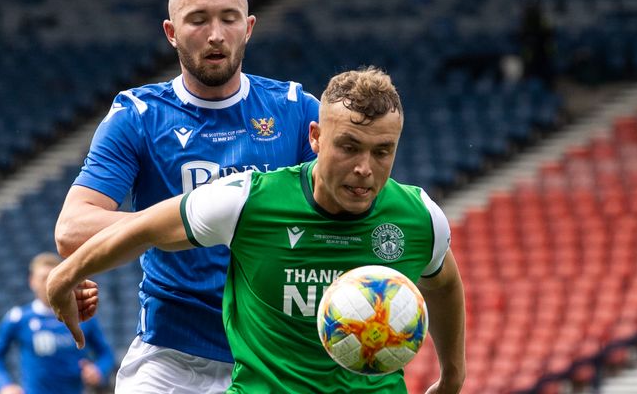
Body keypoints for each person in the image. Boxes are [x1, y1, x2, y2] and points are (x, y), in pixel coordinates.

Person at [48, 68, 466, 394]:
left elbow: (443, 283)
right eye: (349, 146)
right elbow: (145, 229)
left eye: (382, 152)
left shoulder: (419, 218)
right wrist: (62, 277)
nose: (364, 168)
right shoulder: (248, 201)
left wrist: (452, 375)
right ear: (316, 138)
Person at [53, 0, 319, 393]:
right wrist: (193, 220)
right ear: (171, 32)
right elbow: (72, 230)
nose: (215, 34)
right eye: (198, 19)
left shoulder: (297, 110)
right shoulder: (137, 116)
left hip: (276, 358)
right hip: (170, 359)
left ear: (248, 28)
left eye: (229, 18)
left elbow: (347, 215)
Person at [0, 252, 115, 394]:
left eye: (52, 278)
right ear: (32, 281)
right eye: (43, 279)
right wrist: (5, 385)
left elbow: (106, 353)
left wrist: (98, 370)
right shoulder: (19, 318)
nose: (48, 284)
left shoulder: (81, 316)